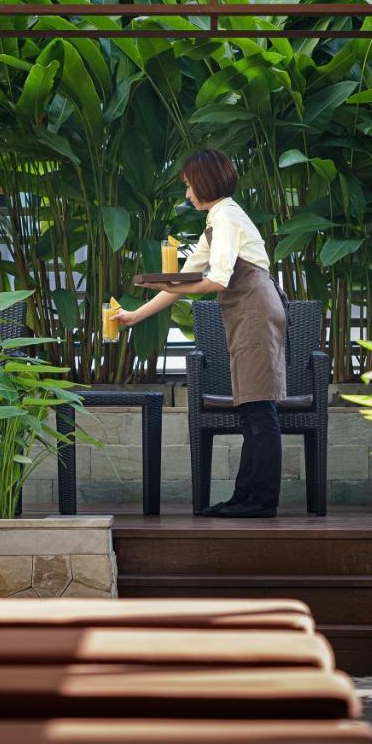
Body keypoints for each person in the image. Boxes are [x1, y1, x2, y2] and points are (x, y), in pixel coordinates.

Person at [115, 149, 288, 518]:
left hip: (255, 309)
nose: (188, 193)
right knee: (251, 408)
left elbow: (216, 280)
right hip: (246, 311)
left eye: (190, 185)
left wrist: (173, 286)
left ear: (205, 183)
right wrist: (135, 316)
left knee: (259, 408)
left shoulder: (225, 217)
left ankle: (260, 501)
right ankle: (245, 498)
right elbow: (182, 278)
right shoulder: (218, 218)